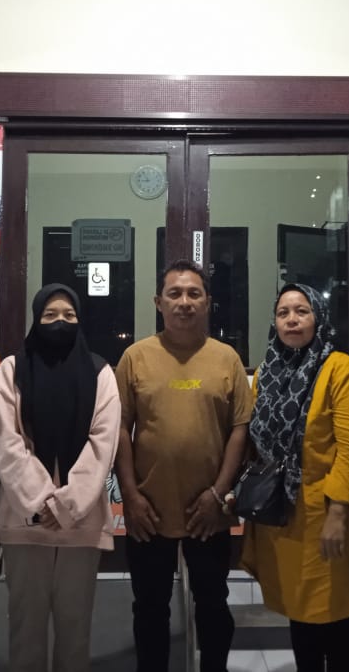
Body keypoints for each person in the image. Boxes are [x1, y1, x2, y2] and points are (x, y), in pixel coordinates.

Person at [114, 259, 253, 672]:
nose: (184, 302)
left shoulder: (227, 359)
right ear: (158, 302)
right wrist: (130, 497)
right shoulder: (135, 357)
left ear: (207, 302)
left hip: (208, 512)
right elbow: (119, 429)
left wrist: (218, 495)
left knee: (213, 605)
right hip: (149, 512)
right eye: (174, 293)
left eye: (194, 293)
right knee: (149, 608)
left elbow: (240, 431)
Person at [241, 284, 349, 671]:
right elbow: (257, 443)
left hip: (325, 514)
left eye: (302, 311)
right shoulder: (267, 373)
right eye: (283, 313)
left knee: (334, 613)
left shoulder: (342, 370)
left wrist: (337, 513)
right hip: (282, 516)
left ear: (319, 318)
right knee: (299, 611)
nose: (291, 320)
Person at [0, 284, 122, 672]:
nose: (59, 322)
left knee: (75, 627)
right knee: (25, 627)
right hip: (25, 519)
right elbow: (5, 440)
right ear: (35, 320)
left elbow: (104, 442)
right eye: (49, 315)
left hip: (81, 520)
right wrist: (41, 501)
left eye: (69, 315)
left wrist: (67, 503)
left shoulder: (100, 372)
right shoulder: (12, 369)